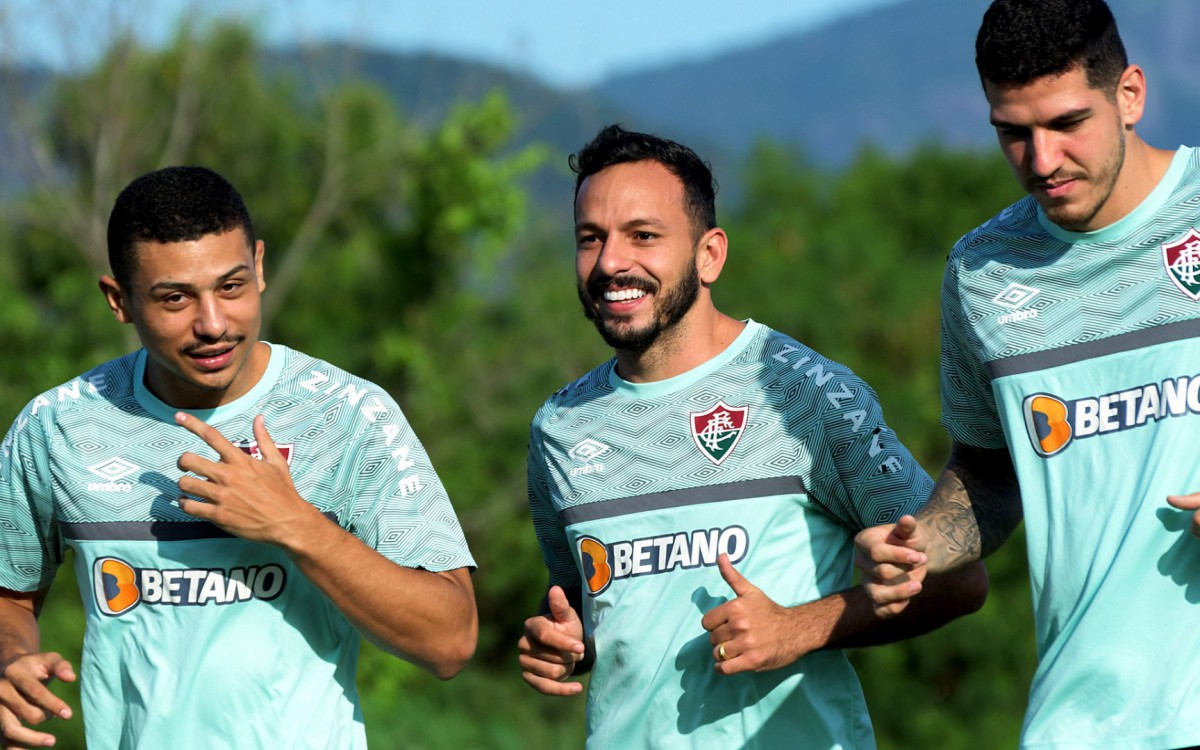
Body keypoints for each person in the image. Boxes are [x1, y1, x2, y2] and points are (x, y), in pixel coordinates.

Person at [517, 124, 988, 748]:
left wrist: (799, 628)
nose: (610, 262)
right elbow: (590, 614)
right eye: (590, 239)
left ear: (709, 254)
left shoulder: (804, 392)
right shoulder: (559, 427)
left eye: (643, 236)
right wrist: (562, 646)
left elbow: (958, 580)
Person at [0, 166, 478, 749]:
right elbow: (11, 598)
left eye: (231, 287)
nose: (213, 324)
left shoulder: (349, 414)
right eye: (175, 298)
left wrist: (294, 524)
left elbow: (451, 640)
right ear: (118, 300)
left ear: (259, 266)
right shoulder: (59, 425)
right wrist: (10, 660)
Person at [854, 0, 1200, 747]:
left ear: (1130, 95)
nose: (1041, 162)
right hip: (1079, 722)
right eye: (1013, 132)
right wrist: (915, 547)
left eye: (1067, 123)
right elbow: (990, 472)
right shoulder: (980, 272)